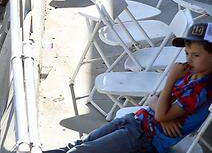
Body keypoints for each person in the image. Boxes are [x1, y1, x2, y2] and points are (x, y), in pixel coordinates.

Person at [42, 22, 212, 153]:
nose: (189, 59)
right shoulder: (190, 74)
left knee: (81, 151)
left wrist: (170, 80)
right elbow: (155, 98)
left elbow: (160, 110)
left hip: (144, 138)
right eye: (187, 54)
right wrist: (164, 116)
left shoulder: (200, 90)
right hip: (135, 121)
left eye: (196, 55)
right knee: (78, 144)